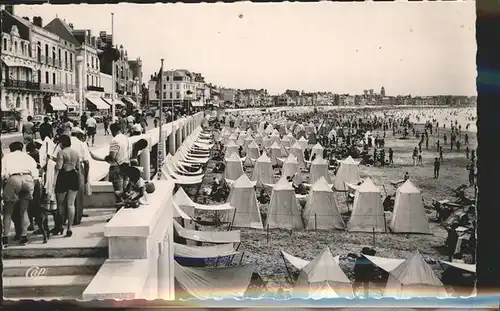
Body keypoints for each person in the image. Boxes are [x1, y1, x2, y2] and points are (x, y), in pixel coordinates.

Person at [2, 141, 39, 247]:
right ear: (22, 148)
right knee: (24, 211)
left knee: (8, 211)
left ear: (10, 149)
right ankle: (24, 237)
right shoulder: (28, 157)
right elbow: (35, 176)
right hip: (28, 179)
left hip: (14, 178)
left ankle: (5, 238)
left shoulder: (7, 157)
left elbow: (3, 174)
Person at [53, 135, 80, 237]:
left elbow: (59, 166)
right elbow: (78, 167)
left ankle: (60, 226)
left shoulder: (61, 152)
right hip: (73, 175)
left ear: (62, 143)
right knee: (71, 204)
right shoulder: (75, 152)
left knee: (60, 204)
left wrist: (53, 162)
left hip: (64, 176)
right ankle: (70, 227)